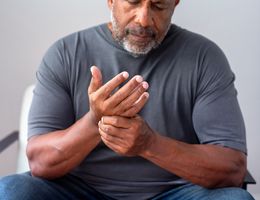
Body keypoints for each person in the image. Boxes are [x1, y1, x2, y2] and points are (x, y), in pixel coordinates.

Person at [0, 0, 254, 199]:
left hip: (177, 192)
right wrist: (95, 121)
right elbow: (40, 163)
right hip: (79, 190)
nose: (143, 19)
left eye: (158, 5)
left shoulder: (204, 58)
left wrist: (149, 144)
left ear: (175, 3)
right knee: (11, 191)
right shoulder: (65, 53)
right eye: (133, 2)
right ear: (111, 0)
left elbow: (231, 168)